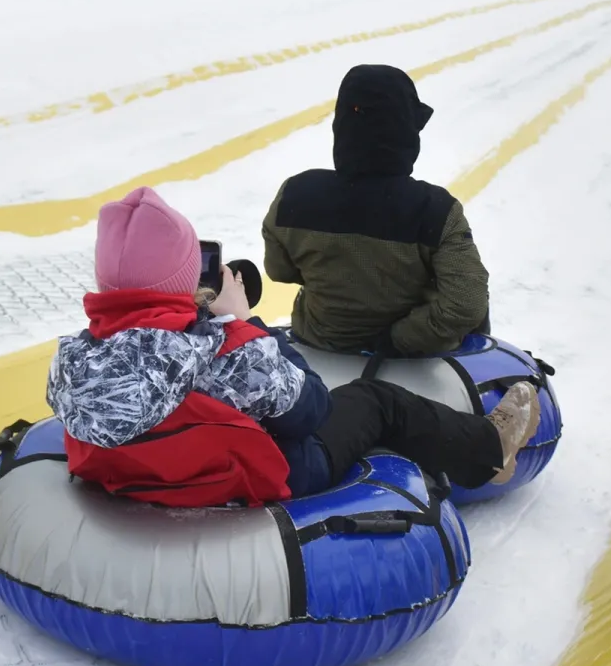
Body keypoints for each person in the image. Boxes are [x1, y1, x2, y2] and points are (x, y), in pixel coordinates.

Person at [49, 186, 541, 507]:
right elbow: (310, 407)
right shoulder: (230, 353)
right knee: (374, 401)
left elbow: (149, 354)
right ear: (184, 281)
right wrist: (244, 322)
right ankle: (487, 450)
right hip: (266, 475)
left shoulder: (71, 361)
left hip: (138, 476)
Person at [263, 65, 489, 358]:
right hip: (413, 357)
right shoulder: (436, 209)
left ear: (341, 126)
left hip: (318, 344)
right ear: (407, 132)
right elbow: (467, 302)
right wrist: (396, 340)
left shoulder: (295, 194)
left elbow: (279, 270)